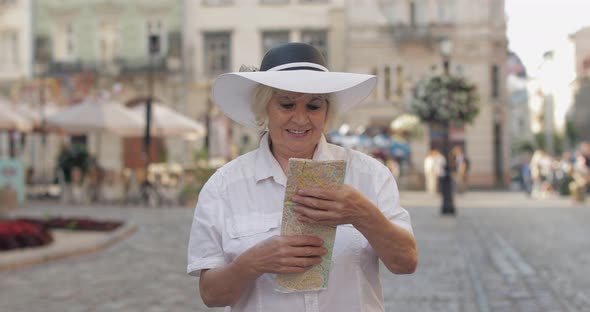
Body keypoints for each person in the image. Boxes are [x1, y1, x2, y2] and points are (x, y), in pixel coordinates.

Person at [187, 42, 417, 311]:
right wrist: (254, 262)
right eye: (286, 104)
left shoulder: (369, 175)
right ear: (264, 109)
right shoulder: (224, 186)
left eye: (313, 106)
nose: (300, 119)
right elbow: (211, 295)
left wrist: (363, 213)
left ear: (327, 111)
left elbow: (406, 263)